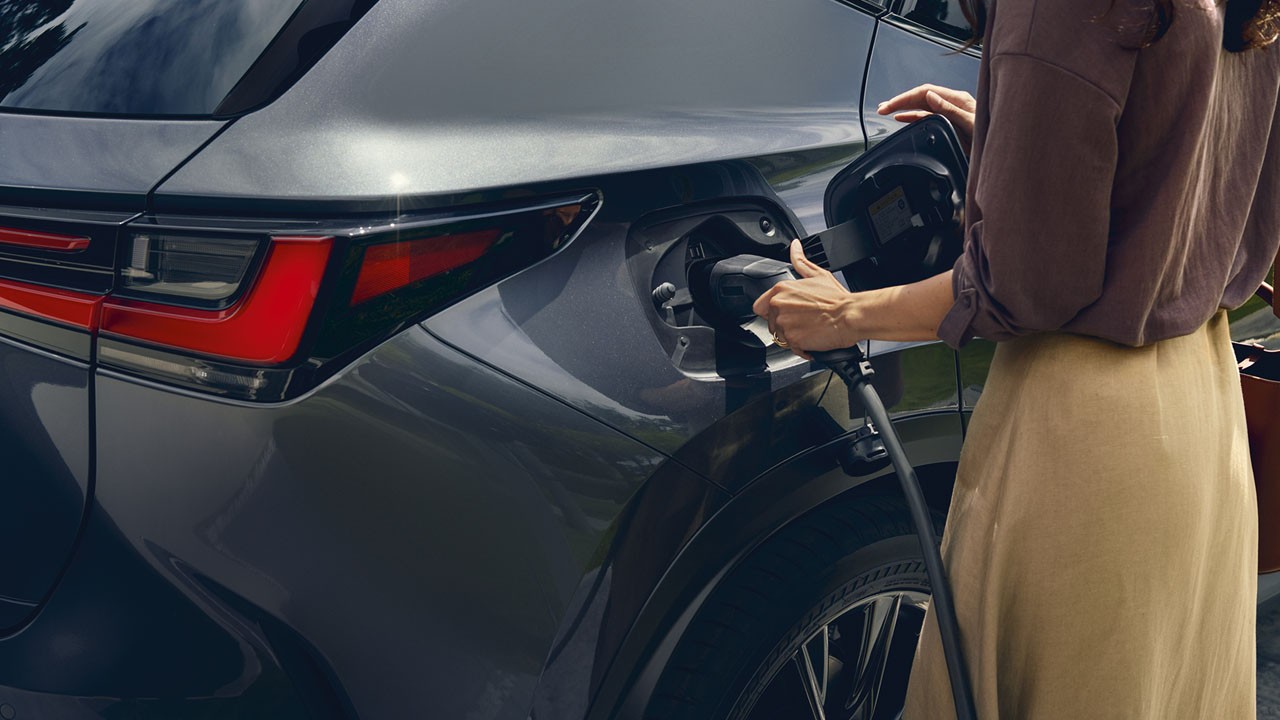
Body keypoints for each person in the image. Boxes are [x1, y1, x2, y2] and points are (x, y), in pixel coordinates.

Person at [753, 0, 1280, 716]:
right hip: (1202, 432)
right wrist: (1024, 140)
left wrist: (848, 314)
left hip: (1085, 441)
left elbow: (1027, 283)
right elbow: (1197, 175)